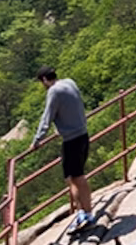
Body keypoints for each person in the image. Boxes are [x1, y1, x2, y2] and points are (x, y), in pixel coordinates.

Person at [36, 65, 97, 232]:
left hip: (72, 140)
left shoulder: (53, 91)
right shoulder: (70, 82)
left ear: (44, 80)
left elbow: (47, 117)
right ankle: (85, 212)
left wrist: (37, 140)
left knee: (75, 178)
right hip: (83, 134)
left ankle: (85, 214)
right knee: (75, 177)